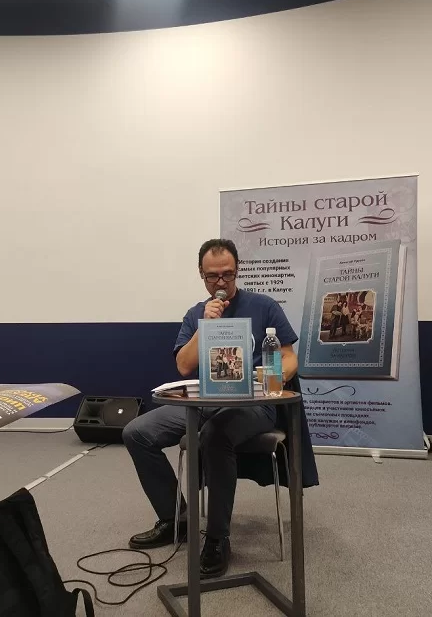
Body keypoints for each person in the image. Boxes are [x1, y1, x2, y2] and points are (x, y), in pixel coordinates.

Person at [122, 238, 299, 579]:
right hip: (206, 400)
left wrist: (271, 374)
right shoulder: (196, 314)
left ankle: (217, 538)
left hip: (254, 404)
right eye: (212, 276)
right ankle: (177, 519)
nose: (221, 282)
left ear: (237, 271)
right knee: (137, 433)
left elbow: (289, 357)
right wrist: (205, 327)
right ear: (201, 274)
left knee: (214, 437)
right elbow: (184, 366)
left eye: (227, 274)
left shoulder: (264, 306)